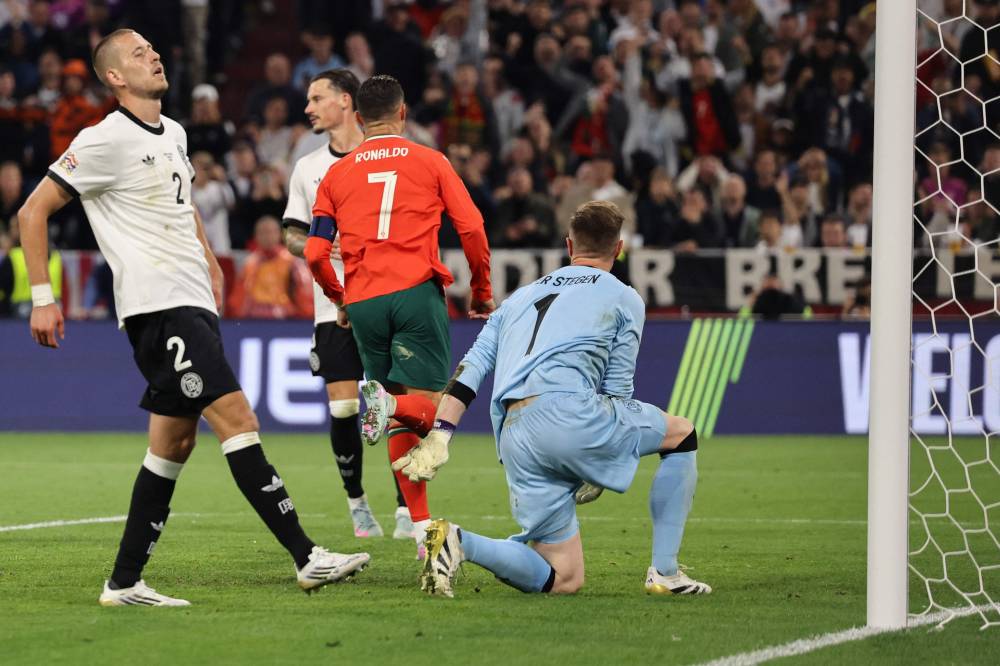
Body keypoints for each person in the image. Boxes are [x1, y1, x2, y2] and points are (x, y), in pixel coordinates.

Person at [16, 29, 369, 607]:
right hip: (157, 307)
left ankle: (124, 583)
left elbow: (181, 207)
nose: (153, 55)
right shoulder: (102, 139)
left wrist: (208, 258)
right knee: (237, 415)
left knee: (172, 446)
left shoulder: (174, 131)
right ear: (114, 78)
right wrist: (43, 296)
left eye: (154, 49)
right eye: (138, 54)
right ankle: (308, 557)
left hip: (192, 301)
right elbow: (33, 212)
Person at [393, 200, 711, 598]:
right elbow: (617, 391)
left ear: (568, 245)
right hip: (571, 415)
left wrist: (441, 434)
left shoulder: (519, 298)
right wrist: (598, 461)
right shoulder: (624, 297)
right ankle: (665, 572)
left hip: (514, 432)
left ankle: (458, 540)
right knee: (682, 435)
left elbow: (471, 367)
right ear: (619, 248)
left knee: (563, 578)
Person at [304, 75, 495, 558]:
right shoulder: (430, 160)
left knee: (398, 416)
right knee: (428, 411)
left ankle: (424, 532)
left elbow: (313, 252)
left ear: (360, 119)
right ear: (403, 113)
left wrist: (339, 297)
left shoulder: (335, 175)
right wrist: (482, 289)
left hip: (364, 300)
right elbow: (471, 225)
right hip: (414, 293)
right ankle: (387, 408)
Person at [281, 68, 413, 541]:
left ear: (344, 101)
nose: (308, 107)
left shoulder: (386, 157)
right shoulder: (308, 168)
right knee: (342, 410)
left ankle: (405, 508)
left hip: (385, 298)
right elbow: (292, 233)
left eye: (316, 98)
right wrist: (317, 247)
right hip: (330, 303)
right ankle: (358, 504)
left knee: (399, 403)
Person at [228, 216, 313, 319]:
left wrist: (304, 320)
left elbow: (305, 295)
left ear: (280, 235)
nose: (267, 237)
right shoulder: (249, 263)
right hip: (253, 320)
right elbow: (238, 299)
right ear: (256, 236)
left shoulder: (293, 262)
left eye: (271, 232)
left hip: (287, 318)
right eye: (263, 233)